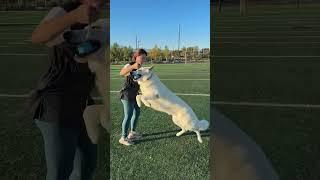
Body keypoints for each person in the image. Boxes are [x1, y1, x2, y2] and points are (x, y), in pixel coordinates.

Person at [28, 0, 103, 179]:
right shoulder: (64, 10)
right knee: (59, 173)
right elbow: (37, 36)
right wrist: (74, 16)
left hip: (83, 103)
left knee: (87, 165)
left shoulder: (97, 16)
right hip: (58, 103)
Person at [118, 49, 147, 146]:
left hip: (134, 95)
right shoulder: (129, 65)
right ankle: (123, 137)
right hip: (126, 94)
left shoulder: (140, 68)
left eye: (145, 58)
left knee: (137, 112)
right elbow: (122, 73)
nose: (143, 60)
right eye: (142, 57)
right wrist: (132, 67)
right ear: (136, 57)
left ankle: (132, 133)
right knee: (128, 115)